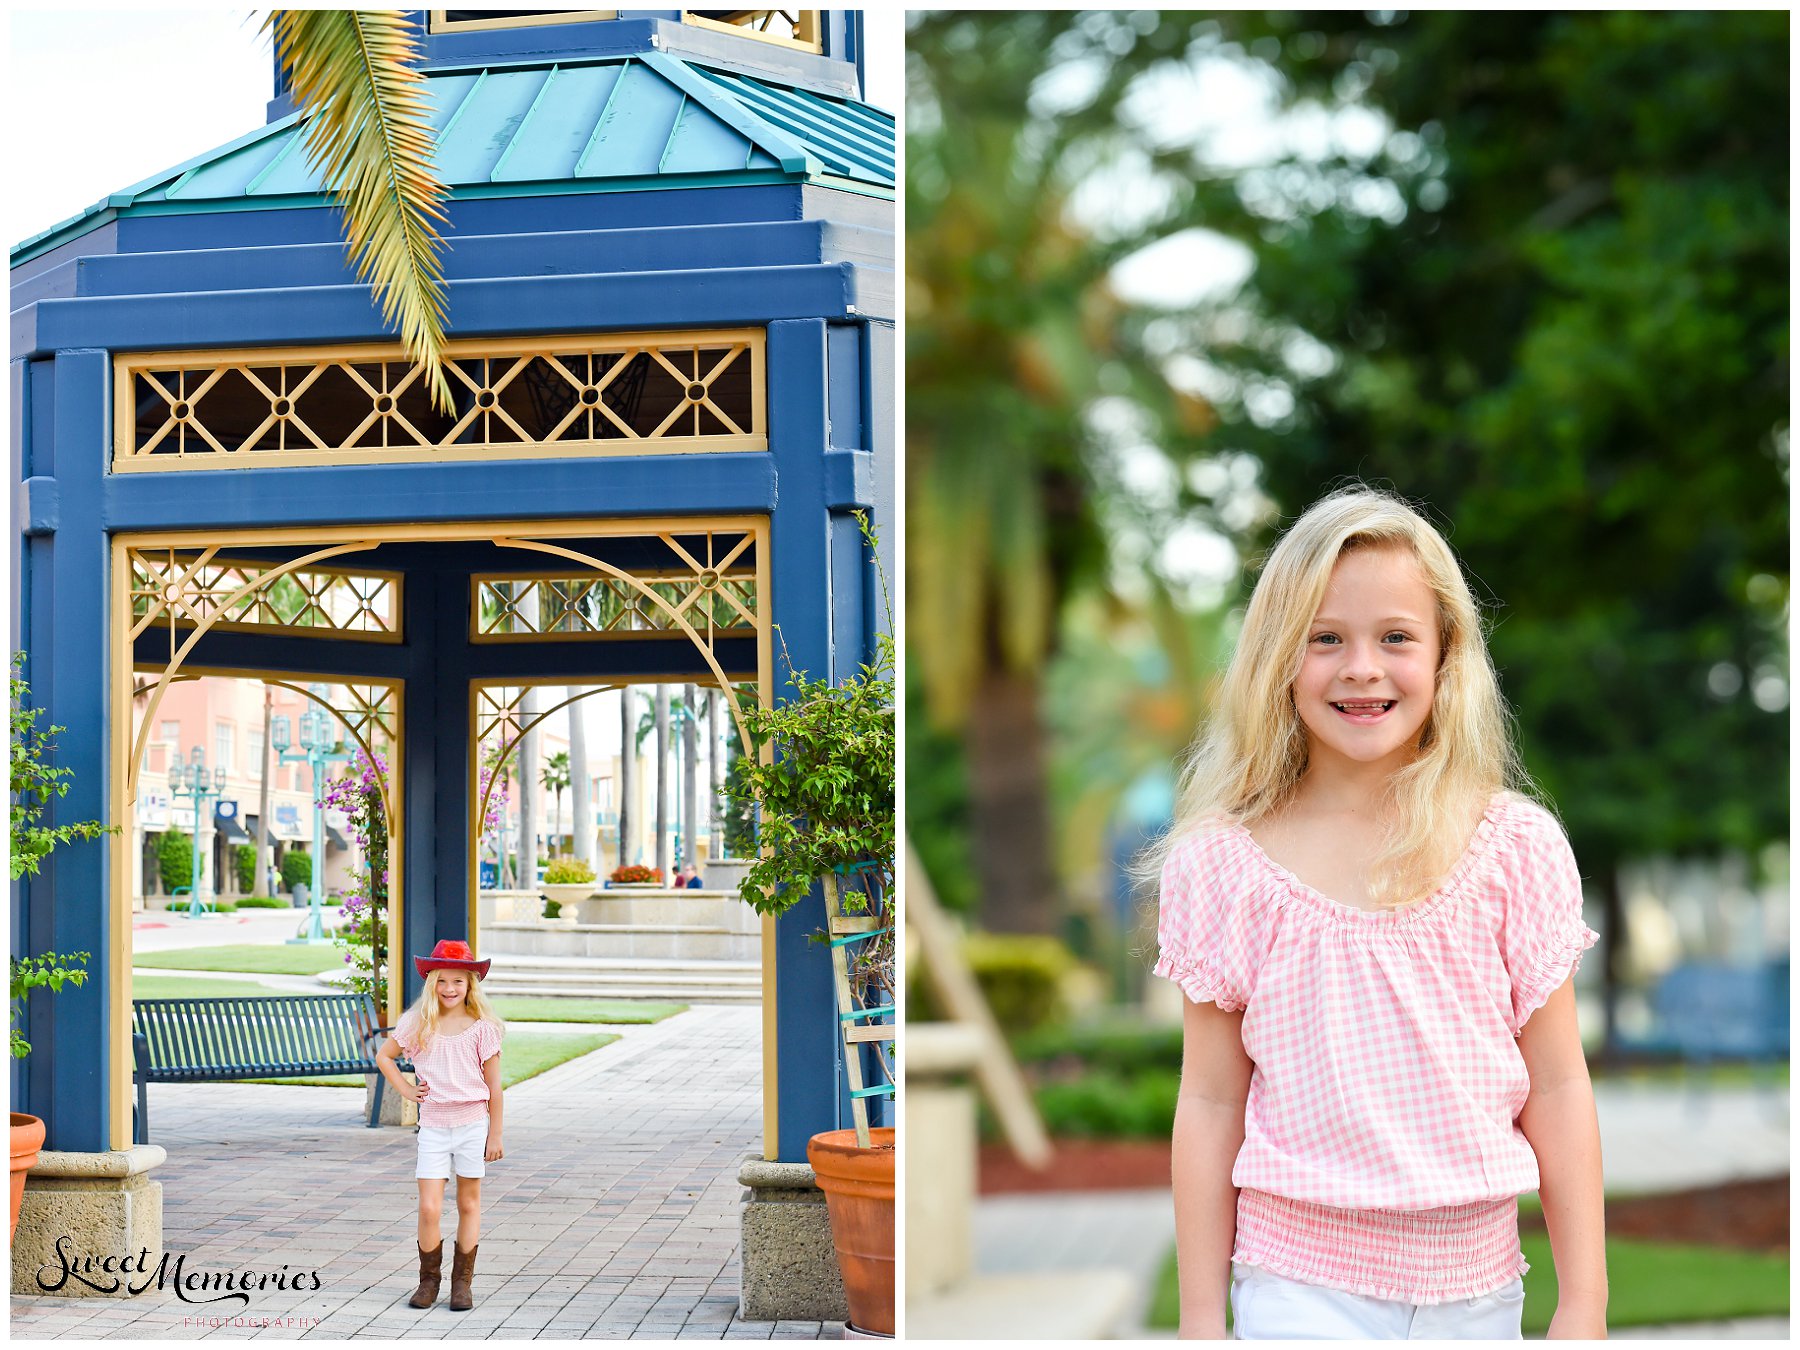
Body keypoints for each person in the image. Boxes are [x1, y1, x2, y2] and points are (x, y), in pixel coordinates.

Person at [1151, 487, 1606, 1340]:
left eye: (1396, 637)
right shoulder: (1222, 862)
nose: (1362, 667)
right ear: (1280, 658)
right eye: (1326, 639)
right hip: (1298, 1287)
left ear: (1445, 656)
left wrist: (1585, 1306)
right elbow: (1210, 1102)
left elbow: (1557, 1083)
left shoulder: (1514, 847)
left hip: (1476, 1292)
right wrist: (1201, 1321)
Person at [377, 939, 506, 1313]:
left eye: (458, 982)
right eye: (442, 981)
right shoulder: (417, 1024)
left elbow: (494, 1088)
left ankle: (461, 1285)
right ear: (431, 982)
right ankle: (428, 1281)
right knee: (430, 1209)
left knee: (468, 1203)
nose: (450, 989)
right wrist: (406, 1089)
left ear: (470, 985)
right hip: (433, 1127)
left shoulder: (482, 1029)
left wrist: (494, 1133)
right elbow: (385, 1056)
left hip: (471, 1126)